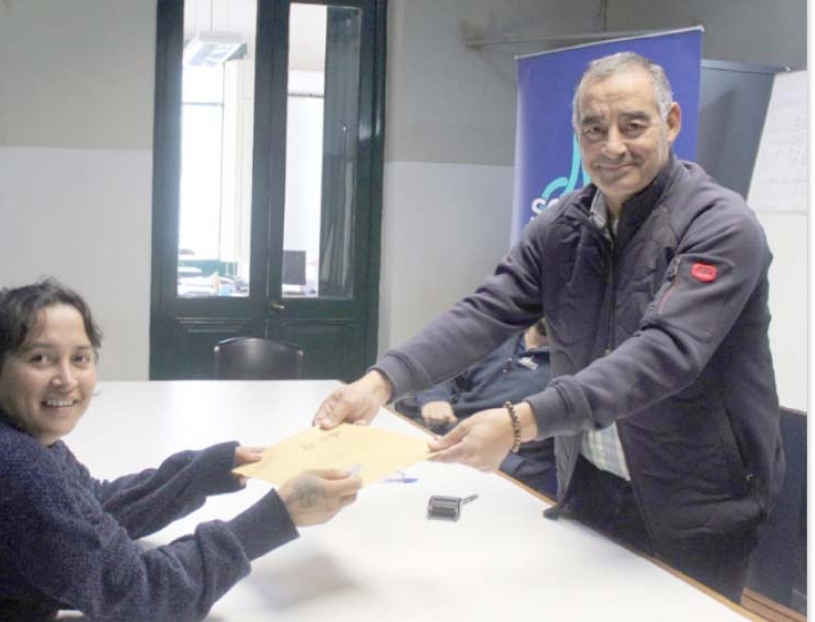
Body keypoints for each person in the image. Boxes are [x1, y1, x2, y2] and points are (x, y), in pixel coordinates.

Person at [313, 51, 784, 602]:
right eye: (594, 129)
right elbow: (486, 311)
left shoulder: (720, 225)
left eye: (633, 125)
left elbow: (665, 352)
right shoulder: (562, 226)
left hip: (697, 504)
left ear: (671, 122)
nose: (612, 146)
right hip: (591, 484)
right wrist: (381, 381)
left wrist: (522, 421)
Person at [0, 279, 361, 622]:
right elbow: (146, 597)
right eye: (41, 359)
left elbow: (94, 506)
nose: (66, 379)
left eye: (80, 358)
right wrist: (279, 516)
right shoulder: (6, 467)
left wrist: (204, 470)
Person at [396, 320, 556, 497]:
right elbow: (442, 369)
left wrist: (506, 463)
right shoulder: (498, 337)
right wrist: (434, 399)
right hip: (447, 440)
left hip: (503, 468)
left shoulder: (568, 369)